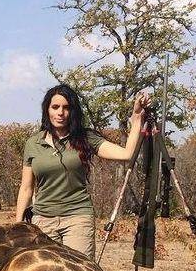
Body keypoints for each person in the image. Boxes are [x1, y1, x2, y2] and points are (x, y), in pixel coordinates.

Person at [14, 84, 151, 259]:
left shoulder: (85, 138)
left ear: (73, 111)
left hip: (77, 218)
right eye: (55, 107)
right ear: (47, 110)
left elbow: (126, 154)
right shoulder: (33, 143)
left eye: (66, 108)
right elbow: (26, 188)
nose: (60, 113)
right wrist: (17, 226)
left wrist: (137, 116)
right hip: (42, 220)